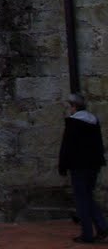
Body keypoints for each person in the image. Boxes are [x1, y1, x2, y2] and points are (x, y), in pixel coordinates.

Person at [58, 92, 108, 243]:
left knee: (81, 200)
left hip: (79, 166)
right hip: (93, 165)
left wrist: (63, 165)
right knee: (88, 197)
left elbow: (67, 147)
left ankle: (87, 233)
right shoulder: (93, 121)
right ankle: (102, 227)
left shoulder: (73, 123)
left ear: (74, 107)